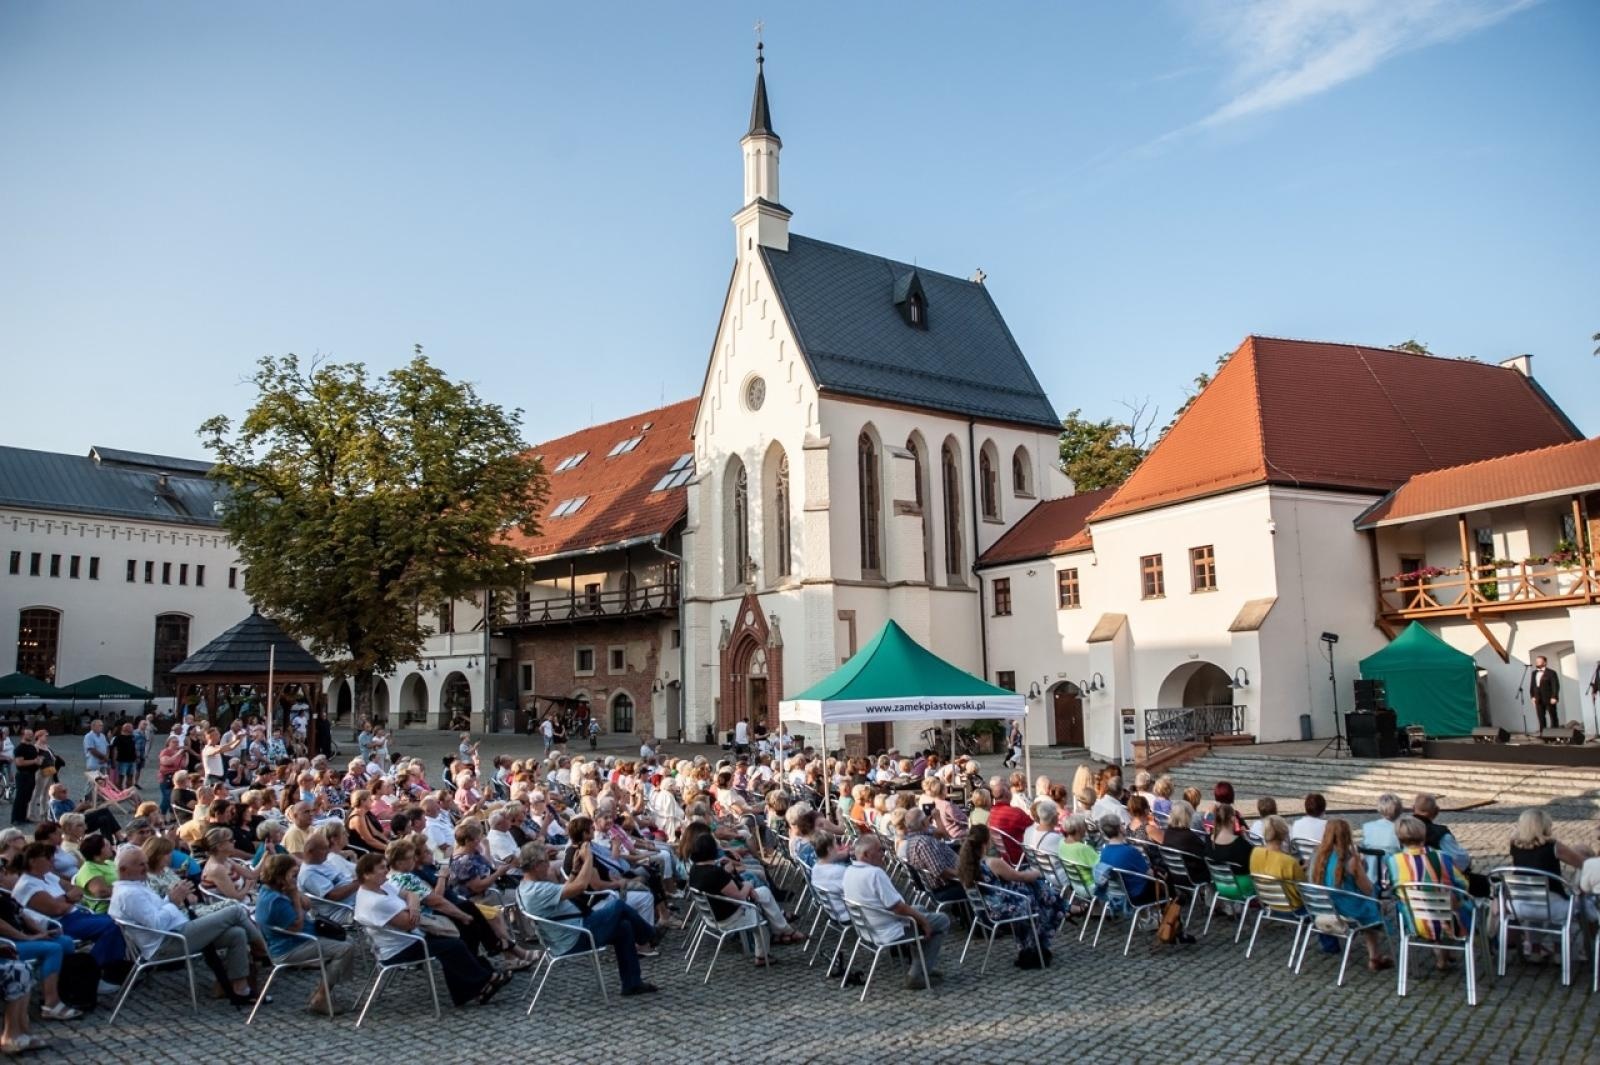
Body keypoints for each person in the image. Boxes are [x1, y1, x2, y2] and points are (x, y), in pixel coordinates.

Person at [352, 853, 510, 1008]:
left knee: (459, 934)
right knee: (454, 945)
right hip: (400, 947)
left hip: (410, 937)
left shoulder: (381, 885)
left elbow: (410, 893)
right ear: (367, 874)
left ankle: (477, 983)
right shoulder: (375, 902)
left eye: (386, 866)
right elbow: (409, 923)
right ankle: (483, 981)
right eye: (381, 868)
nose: (386, 871)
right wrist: (413, 908)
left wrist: (413, 906)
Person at [109, 845, 260, 1005]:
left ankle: (240, 989)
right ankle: (265, 951)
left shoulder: (135, 886)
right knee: (234, 910)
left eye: (145, 863)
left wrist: (171, 899)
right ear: (124, 869)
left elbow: (158, 912)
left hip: (179, 930)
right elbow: (156, 924)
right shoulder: (129, 894)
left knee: (236, 934)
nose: (146, 867)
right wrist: (173, 901)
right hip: (168, 943)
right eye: (140, 864)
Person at [517, 841, 659, 996]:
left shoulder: (526, 886)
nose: (549, 866)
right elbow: (580, 887)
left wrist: (575, 870)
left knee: (624, 927)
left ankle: (632, 984)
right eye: (546, 862)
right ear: (537, 865)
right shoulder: (537, 890)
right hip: (575, 936)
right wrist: (588, 858)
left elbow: (568, 891)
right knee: (618, 906)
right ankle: (650, 935)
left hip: (569, 931)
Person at [842, 833, 948, 990]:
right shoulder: (874, 873)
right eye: (879, 850)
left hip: (868, 927)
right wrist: (924, 922)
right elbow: (897, 907)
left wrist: (918, 916)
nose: (883, 854)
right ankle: (916, 975)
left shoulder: (850, 871)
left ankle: (923, 966)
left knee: (919, 909)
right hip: (887, 930)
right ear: (865, 855)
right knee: (942, 920)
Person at [254, 853, 355, 1013]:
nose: (296, 878)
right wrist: (294, 895)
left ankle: (323, 990)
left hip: (303, 938)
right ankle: (321, 997)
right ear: (281, 875)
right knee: (344, 949)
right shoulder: (274, 901)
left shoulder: (278, 889)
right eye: (293, 874)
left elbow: (307, 906)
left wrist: (294, 891)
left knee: (348, 940)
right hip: (289, 947)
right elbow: (297, 926)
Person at [956, 823, 1065, 965]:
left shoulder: (966, 865)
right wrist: (1038, 873)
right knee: (1038, 897)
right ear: (986, 842)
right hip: (1001, 909)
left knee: (1035, 893)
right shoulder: (993, 863)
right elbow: (1019, 876)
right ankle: (1036, 947)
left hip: (984, 909)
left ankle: (1030, 947)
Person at [686, 832, 800, 966]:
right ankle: (763, 955)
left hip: (710, 914)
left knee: (764, 892)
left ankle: (784, 929)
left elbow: (720, 886)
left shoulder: (695, 870)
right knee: (760, 919)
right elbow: (740, 896)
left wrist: (727, 872)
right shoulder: (715, 874)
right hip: (728, 916)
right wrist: (748, 885)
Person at [11, 841, 126, 972]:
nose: (52, 860)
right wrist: (67, 898)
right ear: (33, 861)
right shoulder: (27, 885)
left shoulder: (47, 876)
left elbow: (77, 889)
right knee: (113, 926)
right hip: (60, 924)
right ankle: (94, 970)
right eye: (47, 857)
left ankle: (108, 965)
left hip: (75, 915)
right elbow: (57, 909)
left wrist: (64, 900)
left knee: (119, 920)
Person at [1387, 815, 1472, 968]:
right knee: (1459, 902)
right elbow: (1463, 884)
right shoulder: (1443, 857)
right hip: (1450, 920)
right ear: (1423, 834)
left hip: (1415, 922)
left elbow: (1389, 887)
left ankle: (1440, 950)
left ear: (1399, 837)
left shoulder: (1394, 862)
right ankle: (1445, 949)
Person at [1506, 808, 1588, 960]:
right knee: (1559, 905)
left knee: (1536, 901)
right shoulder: (1554, 846)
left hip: (1521, 905)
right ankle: (1559, 951)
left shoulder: (1514, 845)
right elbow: (1582, 863)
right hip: (1551, 906)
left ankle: (1535, 950)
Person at [1311, 818, 1392, 972]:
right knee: (1373, 903)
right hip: (1347, 909)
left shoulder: (1318, 855)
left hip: (1324, 906)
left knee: (1368, 903)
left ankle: (1374, 954)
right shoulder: (1351, 860)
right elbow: (1367, 889)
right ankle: (1374, 956)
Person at [901, 808, 964, 905]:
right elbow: (941, 872)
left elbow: (942, 835)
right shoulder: (923, 843)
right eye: (927, 819)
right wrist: (965, 874)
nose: (929, 820)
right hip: (945, 887)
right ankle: (984, 917)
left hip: (944, 882)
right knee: (981, 884)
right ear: (923, 823)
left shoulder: (913, 838)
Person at [1093, 815, 1156, 910]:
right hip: (1136, 894)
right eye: (1122, 824)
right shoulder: (1130, 851)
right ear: (1119, 829)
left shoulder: (1104, 852)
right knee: (1163, 879)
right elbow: (1149, 874)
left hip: (1117, 894)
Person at [1250, 815, 1305, 908]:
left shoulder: (1255, 853)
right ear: (1284, 834)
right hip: (1293, 906)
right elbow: (1303, 888)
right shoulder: (1289, 861)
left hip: (1268, 901)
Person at [984, 777, 1033, 864]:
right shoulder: (1015, 813)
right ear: (1007, 794)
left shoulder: (991, 813)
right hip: (1020, 857)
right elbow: (1034, 828)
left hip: (1004, 857)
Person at [1360, 793, 1404, 883]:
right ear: (1400, 810)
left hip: (1370, 875)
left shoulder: (1367, 827)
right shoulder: (1401, 829)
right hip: (1393, 876)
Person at [9, 730, 40, 827]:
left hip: (31, 775)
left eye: (31, 734)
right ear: (22, 735)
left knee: (27, 797)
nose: (31, 735)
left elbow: (36, 760)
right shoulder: (19, 748)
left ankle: (23, 817)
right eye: (28, 734)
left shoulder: (32, 747)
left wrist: (39, 762)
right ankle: (15, 819)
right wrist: (34, 761)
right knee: (20, 797)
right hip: (22, 775)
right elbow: (19, 763)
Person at [1529, 654, 1561, 731]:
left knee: (1553, 716)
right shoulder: (1534, 673)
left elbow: (1555, 685)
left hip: (1549, 697)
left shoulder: (1551, 673)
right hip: (1538, 698)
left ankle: (1554, 733)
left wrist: (1554, 696)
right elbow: (1532, 685)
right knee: (1541, 717)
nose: (1537, 663)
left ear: (1545, 663)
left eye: (1539, 661)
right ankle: (1543, 733)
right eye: (1536, 661)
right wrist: (1532, 696)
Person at [82, 719, 110, 801]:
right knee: (91, 781)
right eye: (99, 725)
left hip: (103, 762)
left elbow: (107, 747)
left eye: (102, 725)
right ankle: (85, 798)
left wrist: (106, 757)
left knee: (103, 781)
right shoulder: (89, 736)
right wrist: (104, 758)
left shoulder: (102, 735)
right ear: (93, 726)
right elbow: (92, 750)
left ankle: (98, 797)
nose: (101, 727)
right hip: (93, 762)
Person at [111, 722, 138, 790]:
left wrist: (136, 757)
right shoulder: (118, 738)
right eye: (131, 727)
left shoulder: (132, 737)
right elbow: (115, 750)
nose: (133, 729)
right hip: (122, 761)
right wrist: (114, 761)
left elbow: (134, 748)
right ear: (126, 729)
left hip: (132, 761)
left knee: (130, 777)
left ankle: (128, 791)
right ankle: (119, 792)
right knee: (120, 778)